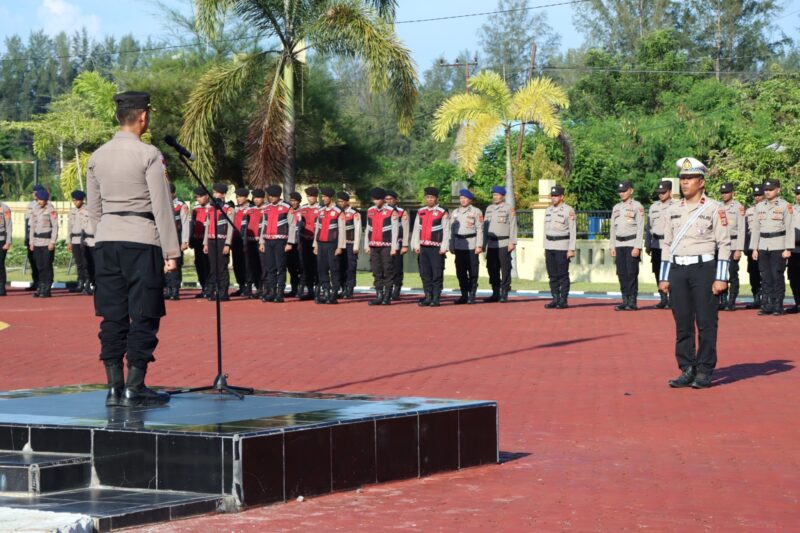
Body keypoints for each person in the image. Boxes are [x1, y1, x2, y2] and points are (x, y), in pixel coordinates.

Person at [87, 91, 179, 407]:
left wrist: (103, 235)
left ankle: (114, 388)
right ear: (143, 117)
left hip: (107, 240)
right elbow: (162, 205)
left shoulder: (97, 156)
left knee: (112, 315)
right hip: (142, 239)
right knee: (144, 313)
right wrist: (171, 252)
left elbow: (94, 208)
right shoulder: (149, 154)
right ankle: (135, 387)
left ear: (119, 117)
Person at [660, 157, 730, 389]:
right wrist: (664, 276)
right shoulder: (672, 209)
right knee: (682, 322)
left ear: (701, 182)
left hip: (704, 270)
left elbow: (724, 244)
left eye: (690, 178)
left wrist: (721, 277)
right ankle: (687, 368)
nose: (684, 182)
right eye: (682, 178)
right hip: (678, 270)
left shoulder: (714, 208)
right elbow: (667, 244)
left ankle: (705, 370)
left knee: (706, 322)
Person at [751, 178, 794, 316]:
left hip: (778, 245)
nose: (768, 192)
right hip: (763, 245)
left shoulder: (785, 205)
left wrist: (788, 248)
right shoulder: (759, 206)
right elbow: (756, 229)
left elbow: (790, 228)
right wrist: (754, 248)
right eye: (766, 190)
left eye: (771, 189)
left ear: (778, 190)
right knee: (765, 276)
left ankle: (778, 305)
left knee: (777, 275)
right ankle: (767, 305)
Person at [411, 187, 450, 307]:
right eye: (427, 197)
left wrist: (444, 247)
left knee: (437, 273)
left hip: (436, 248)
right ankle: (428, 297)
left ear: (437, 199)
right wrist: (415, 244)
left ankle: (436, 298)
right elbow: (416, 229)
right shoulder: (421, 211)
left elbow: (446, 230)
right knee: (425, 273)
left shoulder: (442, 212)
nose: (429, 199)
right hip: (423, 247)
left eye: (432, 197)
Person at [610, 180, 645, 311]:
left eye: (624, 191)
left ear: (631, 191)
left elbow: (640, 228)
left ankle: (632, 301)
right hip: (619, 244)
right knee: (621, 273)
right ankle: (624, 300)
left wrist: (637, 247)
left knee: (631, 273)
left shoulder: (637, 206)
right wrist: (612, 246)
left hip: (631, 244)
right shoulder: (616, 207)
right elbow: (612, 229)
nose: (622, 193)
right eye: (620, 191)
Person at [258, 185, 295, 302]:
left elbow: (292, 225)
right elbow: (263, 225)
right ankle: (272, 292)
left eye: (273, 196)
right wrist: (261, 242)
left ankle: (280, 293)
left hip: (281, 241)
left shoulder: (287, 207)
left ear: (279, 196)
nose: (271, 198)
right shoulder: (266, 208)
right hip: (268, 241)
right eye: (270, 196)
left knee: (281, 267)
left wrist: (290, 242)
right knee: (270, 268)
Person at [543, 185, 576, 309]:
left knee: (562, 275)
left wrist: (571, 249)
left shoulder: (568, 210)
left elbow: (573, 231)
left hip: (562, 246)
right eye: (552, 196)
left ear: (562, 197)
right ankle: (555, 298)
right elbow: (545, 230)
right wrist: (545, 247)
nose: (553, 198)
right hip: (549, 246)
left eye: (556, 196)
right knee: (552, 275)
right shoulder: (548, 210)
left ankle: (563, 300)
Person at [364, 187, 398, 305]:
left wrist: (394, 247)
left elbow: (395, 231)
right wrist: (366, 245)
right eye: (374, 199)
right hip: (373, 245)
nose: (376, 201)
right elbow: (368, 228)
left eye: (378, 199)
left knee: (387, 270)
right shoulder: (370, 210)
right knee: (376, 270)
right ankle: (379, 295)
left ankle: (387, 296)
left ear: (383, 199)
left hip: (387, 245)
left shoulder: (391, 211)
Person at [449, 189, 483, 305]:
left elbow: (480, 229)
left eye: (465, 198)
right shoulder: (455, 212)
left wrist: (479, 245)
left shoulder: (476, 211)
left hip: (472, 244)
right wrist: (451, 244)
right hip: (459, 245)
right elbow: (451, 230)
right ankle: (464, 295)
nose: (463, 200)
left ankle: (472, 294)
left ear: (470, 200)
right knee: (460, 271)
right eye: (461, 198)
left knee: (473, 270)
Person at [483, 186, 517, 303]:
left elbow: (513, 225)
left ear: (503, 196)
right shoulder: (489, 209)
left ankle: (504, 292)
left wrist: (512, 242)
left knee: (505, 268)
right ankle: (495, 292)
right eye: (494, 195)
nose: (495, 197)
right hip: (492, 243)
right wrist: (483, 244)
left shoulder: (509, 208)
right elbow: (485, 228)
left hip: (504, 243)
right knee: (491, 268)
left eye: (497, 195)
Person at [645, 181, 676, 309]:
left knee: (671, 272)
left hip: (670, 245)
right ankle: (663, 299)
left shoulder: (676, 206)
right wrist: (647, 244)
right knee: (658, 271)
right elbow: (649, 227)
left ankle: (673, 299)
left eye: (663, 192)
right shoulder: (653, 207)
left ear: (670, 192)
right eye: (659, 192)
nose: (661, 194)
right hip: (656, 244)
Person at [313, 187, 346, 304]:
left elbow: (342, 230)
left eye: (325, 197)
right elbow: (317, 228)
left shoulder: (338, 211)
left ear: (331, 198)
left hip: (333, 244)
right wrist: (315, 245)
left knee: (334, 269)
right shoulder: (321, 210)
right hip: (321, 244)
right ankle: (326, 292)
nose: (323, 198)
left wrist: (340, 246)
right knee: (321, 269)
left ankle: (334, 294)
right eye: (322, 196)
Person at [203, 183, 233, 301]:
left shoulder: (228, 208)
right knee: (213, 268)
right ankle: (215, 290)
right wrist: (205, 243)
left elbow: (230, 228)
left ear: (223, 194)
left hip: (222, 241)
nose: (214, 194)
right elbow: (207, 226)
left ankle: (223, 292)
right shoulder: (210, 208)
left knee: (222, 267)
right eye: (214, 192)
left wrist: (227, 244)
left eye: (217, 193)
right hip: (211, 240)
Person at [718, 182, 746, 311]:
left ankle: (732, 300)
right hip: (720, 245)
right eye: (722, 192)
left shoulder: (738, 207)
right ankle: (722, 300)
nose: (724, 194)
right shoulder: (717, 207)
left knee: (732, 273)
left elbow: (741, 230)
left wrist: (739, 249)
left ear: (732, 193)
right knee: (720, 273)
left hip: (733, 244)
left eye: (726, 192)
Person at [28, 188, 58, 298]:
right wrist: (31, 242)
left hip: (47, 242)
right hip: (37, 242)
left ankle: (47, 288)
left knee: (47, 266)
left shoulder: (51, 209)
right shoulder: (35, 209)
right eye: (38, 200)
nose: (39, 201)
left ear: (45, 200)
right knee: (39, 266)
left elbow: (55, 227)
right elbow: (32, 227)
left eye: (41, 200)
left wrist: (52, 242)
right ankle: (40, 286)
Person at [165, 183, 190, 300]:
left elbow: (185, 224)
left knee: (176, 264)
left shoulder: (181, 205)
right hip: (164, 238)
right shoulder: (161, 203)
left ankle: (175, 289)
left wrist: (184, 241)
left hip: (176, 237)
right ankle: (167, 288)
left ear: (174, 193)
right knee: (164, 263)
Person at [67, 190, 93, 294]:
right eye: (73, 200)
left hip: (85, 240)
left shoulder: (88, 210)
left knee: (86, 262)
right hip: (75, 240)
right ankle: (80, 282)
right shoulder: (72, 211)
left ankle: (88, 283)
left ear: (82, 200)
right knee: (78, 263)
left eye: (77, 200)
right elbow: (69, 227)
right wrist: (69, 241)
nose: (75, 202)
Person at [385, 190, 409, 300]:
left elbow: (405, 229)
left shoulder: (401, 212)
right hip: (385, 244)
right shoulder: (381, 211)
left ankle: (397, 289)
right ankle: (387, 290)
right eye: (386, 199)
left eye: (391, 199)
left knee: (397, 268)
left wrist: (405, 245)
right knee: (386, 268)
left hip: (398, 244)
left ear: (396, 200)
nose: (388, 201)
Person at [298, 187, 321, 300]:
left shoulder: (321, 208)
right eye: (308, 196)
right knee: (306, 266)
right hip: (305, 241)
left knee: (317, 266)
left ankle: (318, 290)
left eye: (311, 196)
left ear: (316, 197)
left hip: (317, 241)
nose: (309, 198)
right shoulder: (303, 208)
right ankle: (310, 290)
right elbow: (300, 226)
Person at [337, 191, 361, 299]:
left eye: (342, 201)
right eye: (339, 201)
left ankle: (350, 289)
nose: (340, 203)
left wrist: (356, 246)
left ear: (347, 201)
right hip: (339, 245)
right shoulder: (337, 212)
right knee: (340, 267)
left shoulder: (354, 213)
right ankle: (343, 288)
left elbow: (358, 230)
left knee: (350, 267)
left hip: (350, 244)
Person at [744, 184, 764, 309]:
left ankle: (767, 299)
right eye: (755, 195)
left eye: (759, 195)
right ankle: (756, 298)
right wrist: (746, 247)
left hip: (765, 243)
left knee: (765, 273)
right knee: (753, 273)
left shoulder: (768, 209)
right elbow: (745, 230)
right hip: (752, 245)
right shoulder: (749, 211)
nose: (757, 197)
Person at [190, 187, 212, 298]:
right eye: (197, 197)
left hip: (208, 241)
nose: (198, 199)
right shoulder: (195, 209)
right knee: (199, 264)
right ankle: (204, 287)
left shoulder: (212, 208)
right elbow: (193, 224)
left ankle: (210, 287)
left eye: (200, 196)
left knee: (207, 265)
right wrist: (191, 239)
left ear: (207, 196)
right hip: (197, 241)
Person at [244, 189, 266, 299]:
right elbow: (245, 227)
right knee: (252, 266)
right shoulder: (249, 210)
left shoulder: (266, 209)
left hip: (261, 242)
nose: (256, 200)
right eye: (254, 198)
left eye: (258, 198)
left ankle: (264, 288)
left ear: (263, 198)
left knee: (263, 266)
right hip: (250, 241)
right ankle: (257, 287)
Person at [230, 188, 251, 297]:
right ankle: (241, 286)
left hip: (246, 240)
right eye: (237, 197)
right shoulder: (235, 209)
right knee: (237, 265)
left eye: (240, 197)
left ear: (246, 197)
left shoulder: (251, 209)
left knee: (247, 265)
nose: (238, 199)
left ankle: (249, 287)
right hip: (235, 240)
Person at [24, 185, 44, 292]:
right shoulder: (30, 205)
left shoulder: (46, 205)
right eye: (33, 192)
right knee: (32, 261)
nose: (34, 194)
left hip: (40, 238)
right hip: (30, 237)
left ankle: (42, 283)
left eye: (36, 191)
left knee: (40, 262)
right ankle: (35, 282)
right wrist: (26, 237)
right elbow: (27, 223)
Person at [286, 191, 303, 297]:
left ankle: (301, 289)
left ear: (299, 201)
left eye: (295, 201)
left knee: (301, 267)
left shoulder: (303, 211)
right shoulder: (288, 211)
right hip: (290, 243)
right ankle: (294, 289)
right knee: (291, 267)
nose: (293, 202)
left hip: (300, 243)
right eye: (291, 200)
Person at [788, 184, 800, 313]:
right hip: (794, 250)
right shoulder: (791, 209)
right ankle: (798, 303)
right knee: (794, 277)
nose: (799, 196)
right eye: (797, 193)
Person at [0, 199, 12, 296]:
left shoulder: (5, 208)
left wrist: (8, 242)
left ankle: (1, 287)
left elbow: (8, 226)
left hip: (1, 240)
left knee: (0, 264)